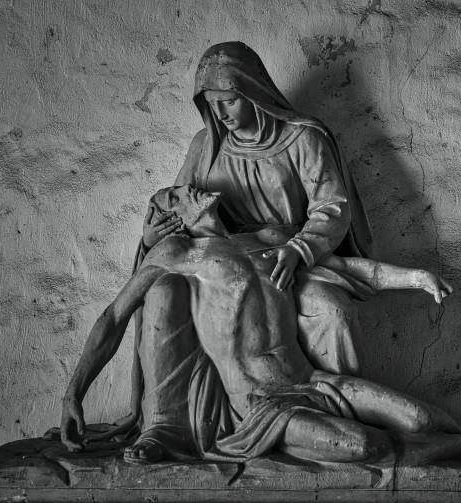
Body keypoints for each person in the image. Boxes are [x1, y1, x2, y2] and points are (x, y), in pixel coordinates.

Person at [61, 185, 461, 468]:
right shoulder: (179, 254)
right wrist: (73, 394)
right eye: (174, 196)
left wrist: (416, 278)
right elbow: (113, 319)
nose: (187, 188)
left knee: (421, 419)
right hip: (261, 404)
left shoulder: (270, 241)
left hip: (313, 381)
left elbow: (353, 269)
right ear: (171, 220)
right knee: (364, 445)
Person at [139, 41, 374, 377]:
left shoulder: (303, 138)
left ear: (252, 92)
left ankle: (340, 401)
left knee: (335, 313)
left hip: (289, 262)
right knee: (172, 301)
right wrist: (152, 238)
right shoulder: (205, 146)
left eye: (229, 101)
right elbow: (179, 210)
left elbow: (332, 206)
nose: (221, 113)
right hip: (224, 266)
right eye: (212, 104)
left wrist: (299, 250)